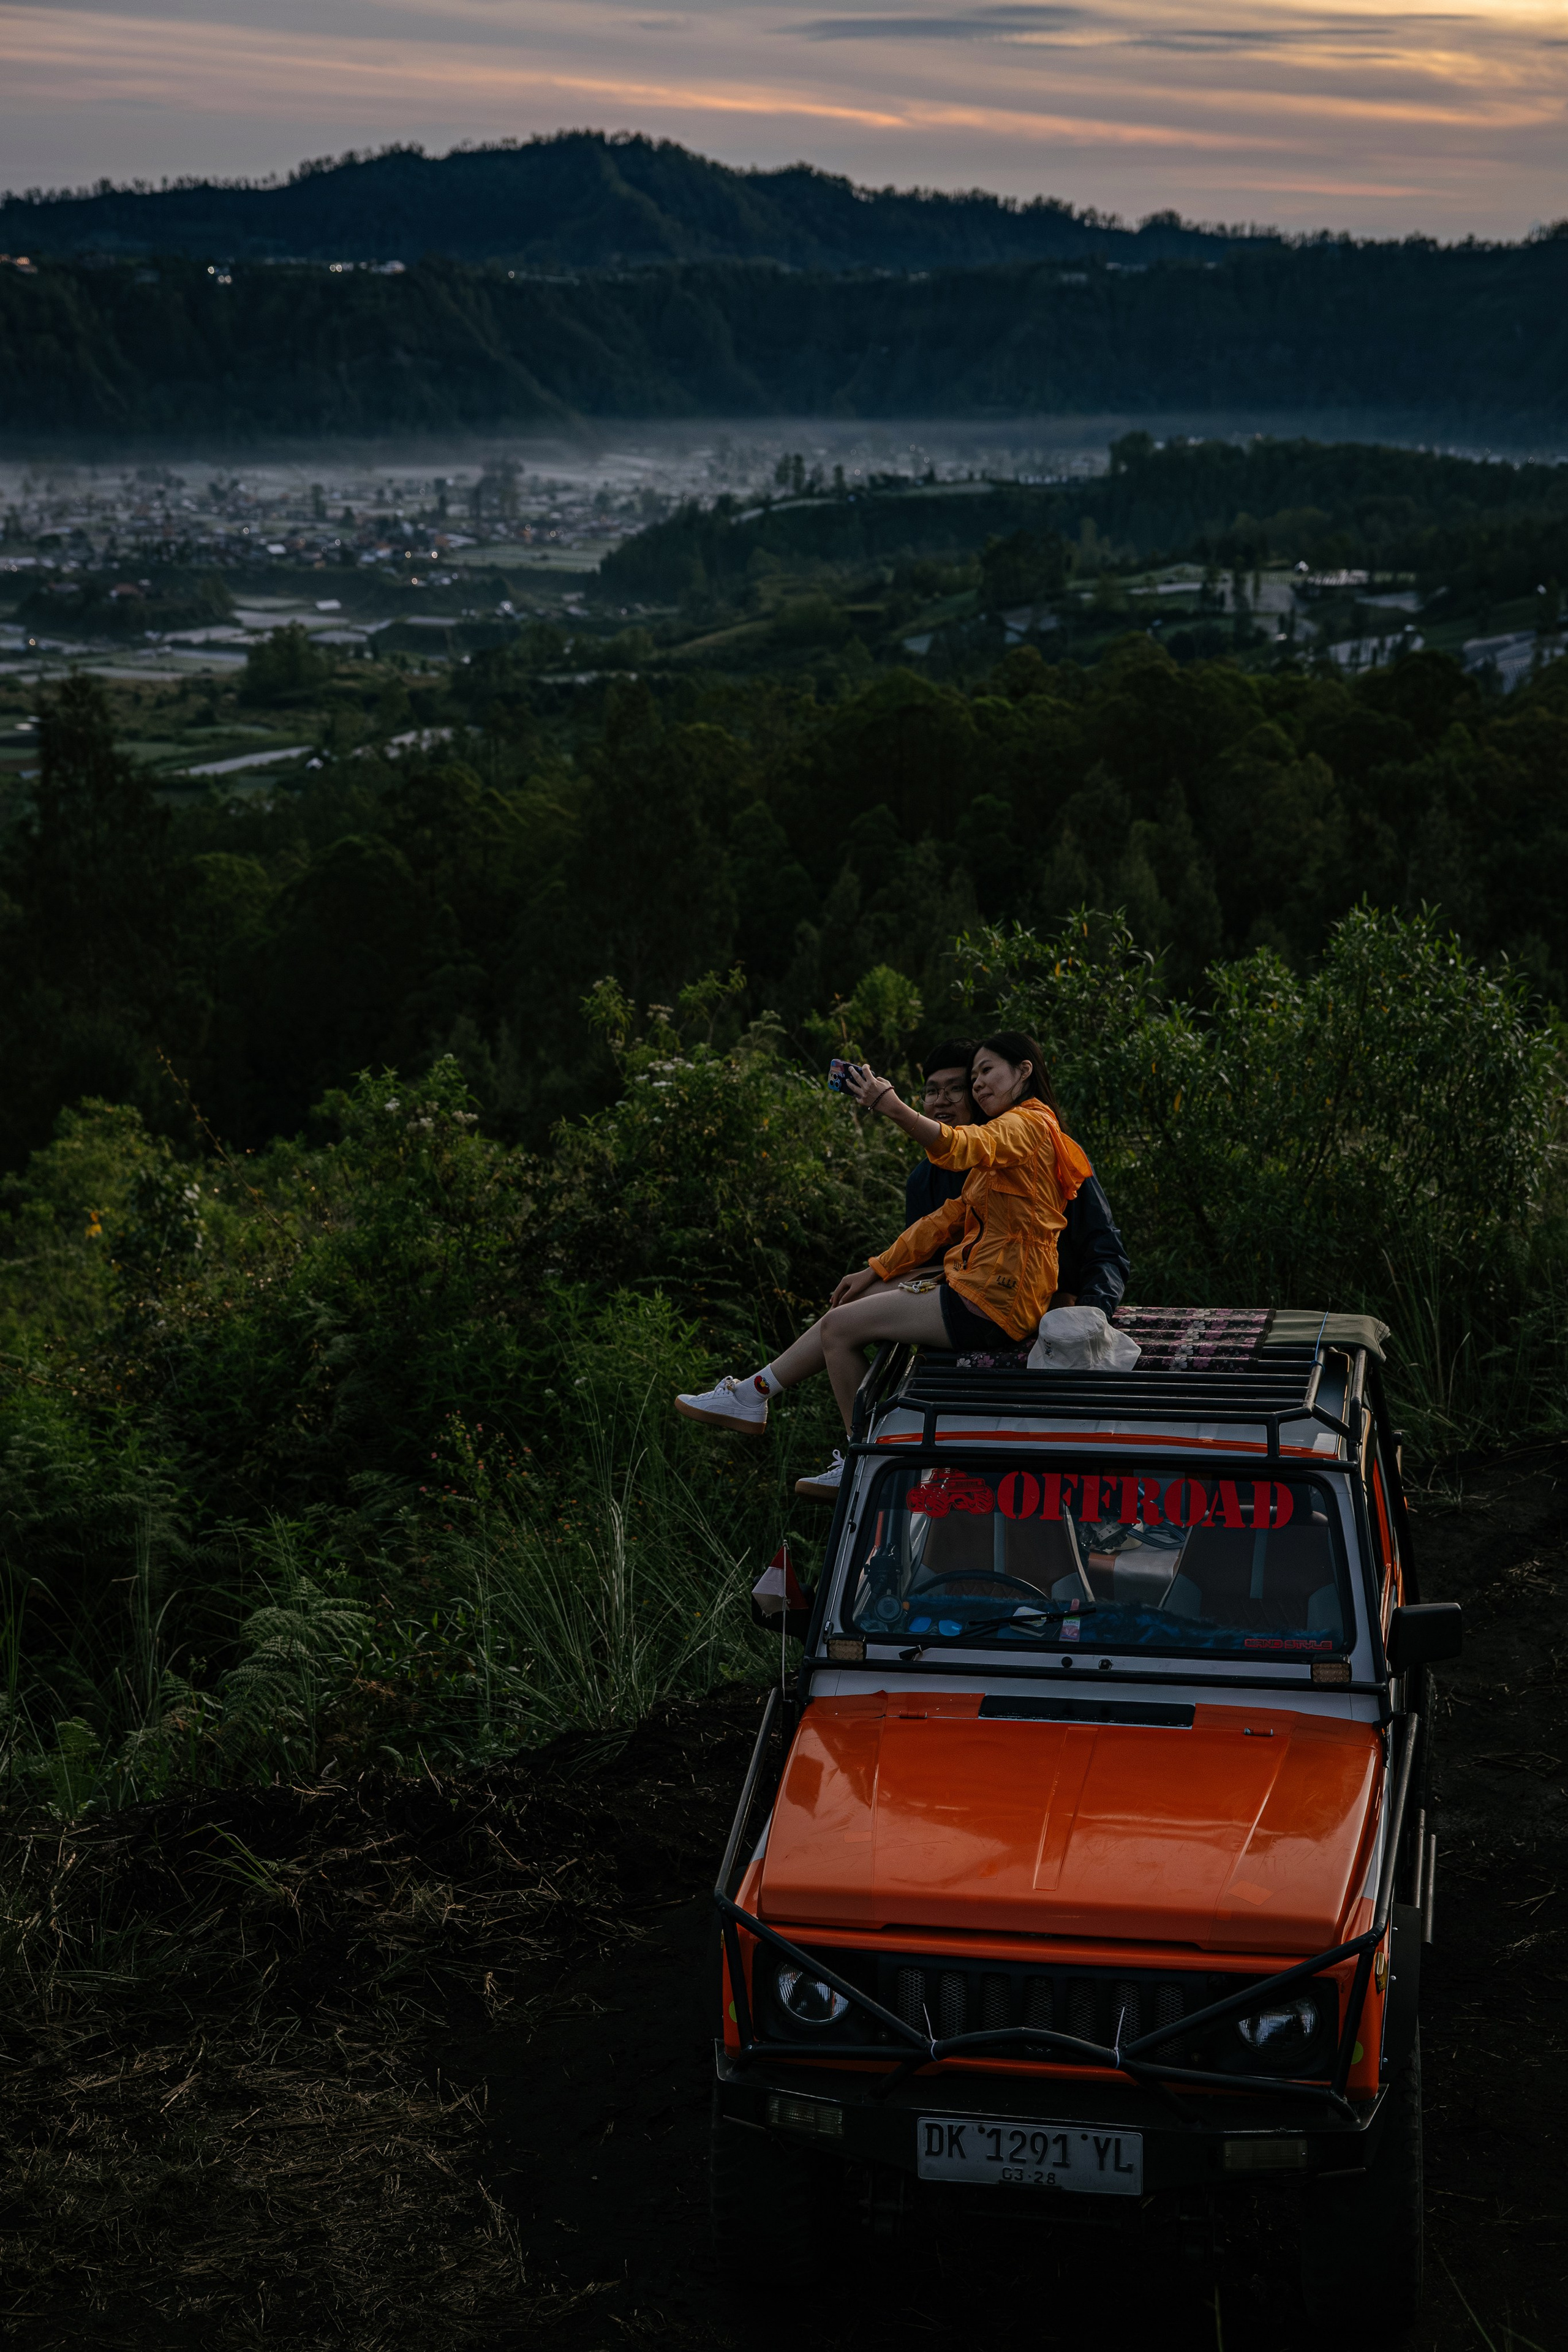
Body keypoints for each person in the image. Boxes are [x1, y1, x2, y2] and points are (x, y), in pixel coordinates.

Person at [674, 1032, 1095, 1499]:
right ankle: (754, 1394)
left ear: (1023, 1071)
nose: (978, 1084)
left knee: (838, 1329)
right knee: (854, 1302)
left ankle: (863, 1460)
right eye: (972, 1075)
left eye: (986, 1072)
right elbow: (943, 1221)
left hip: (994, 1298)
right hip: (987, 1289)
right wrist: (875, 1269)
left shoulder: (1027, 1125)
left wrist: (889, 1105)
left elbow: (960, 1147)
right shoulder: (1014, 1137)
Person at [905, 1039, 1129, 1317]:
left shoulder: (1055, 1157)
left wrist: (1086, 1311)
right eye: (932, 1091)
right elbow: (921, 1262)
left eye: (955, 1089)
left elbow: (1104, 1248)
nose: (941, 1100)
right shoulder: (923, 1180)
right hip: (958, 1309)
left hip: (1042, 1311)